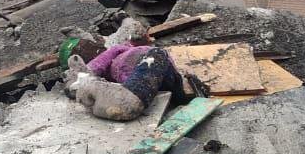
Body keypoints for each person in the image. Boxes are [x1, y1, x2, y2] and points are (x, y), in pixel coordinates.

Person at [62, 19, 202, 121]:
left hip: (159, 76)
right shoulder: (115, 53)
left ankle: (81, 86)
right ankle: (126, 102)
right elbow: (96, 65)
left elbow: (95, 66)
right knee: (158, 54)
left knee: (157, 58)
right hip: (141, 81)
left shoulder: (119, 49)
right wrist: (82, 75)